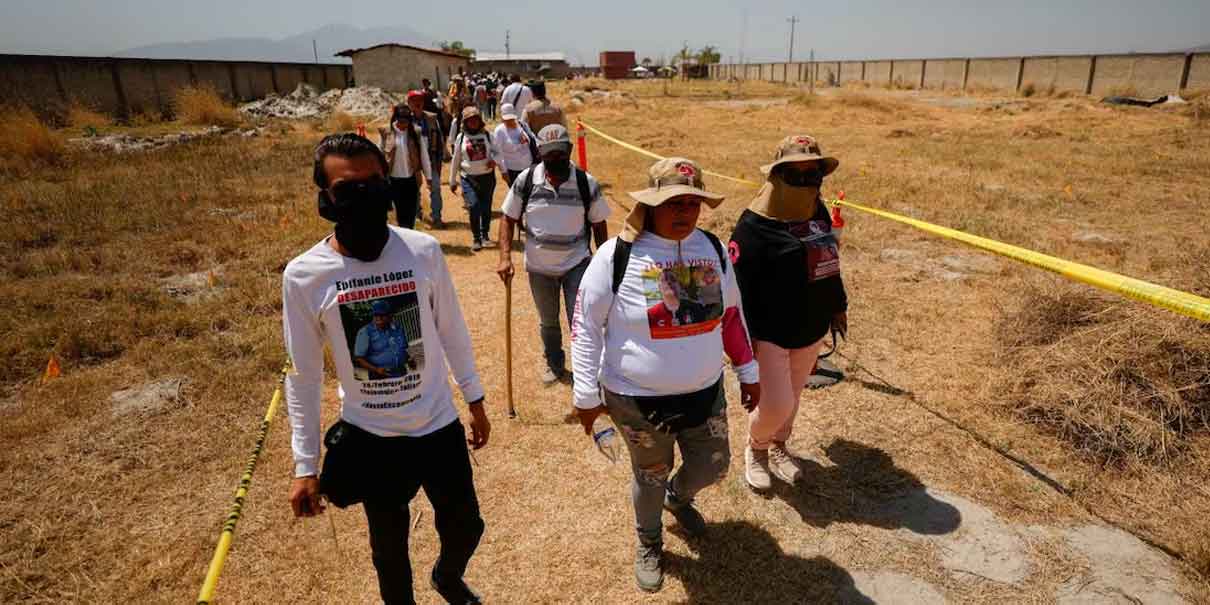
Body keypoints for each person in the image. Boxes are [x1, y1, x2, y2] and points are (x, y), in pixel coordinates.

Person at [283, 133, 490, 605]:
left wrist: (474, 398)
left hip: (437, 426)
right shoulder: (304, 276)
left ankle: (447, 577)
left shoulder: (423, 251)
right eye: (347, 189)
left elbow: (452, 330)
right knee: (389, 551)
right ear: (325, 199)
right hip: (372, 437)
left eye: (374, 183)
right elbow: (304, 376)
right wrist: (305, 465)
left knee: (466, 526)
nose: (364, 196)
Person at [571, 157, 760, 593]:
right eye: (674, 202)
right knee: (651, 473)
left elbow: (732, 315)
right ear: (652, 205)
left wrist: (748, 370)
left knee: (714, 465)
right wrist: (585, 395)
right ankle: (649, 541)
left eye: (692, 203)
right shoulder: (617, 255)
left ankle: (679, 498)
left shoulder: (711, 249)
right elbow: (586, 326)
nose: (685, 212)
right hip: (637, 400)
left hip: (705, 392)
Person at [729, 135, 848, 491]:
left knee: (792, 399)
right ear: (777, 176)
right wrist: (744, 343)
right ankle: (756, 448)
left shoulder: (818, 212)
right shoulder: (752, 226)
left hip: (811, 326)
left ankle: (779, 445)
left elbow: (828, 262)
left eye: (813, 175)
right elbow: (738, 290)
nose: (806, 184)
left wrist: (838, 306)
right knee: (775, 404)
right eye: (796, 176)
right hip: (769, 332)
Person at [498, 124, 609, 391]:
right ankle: (554, 363)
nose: (555, 159)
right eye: (549, 154)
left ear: (569, 150)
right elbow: (508, 218)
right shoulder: (526, 180)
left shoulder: (585, 182)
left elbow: (598, 224)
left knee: (580, 320)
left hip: (577, 265)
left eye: (560, 153)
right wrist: (504, 257)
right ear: (539, 152)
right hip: (539, 267)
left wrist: (605, 263)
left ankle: (587, 369)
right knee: (548, 320)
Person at [449, 106, 501, 251]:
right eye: (469, 120)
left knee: (486, 207)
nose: (473, 122)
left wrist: (495, 161)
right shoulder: (461, 138)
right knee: (473, 206)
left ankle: (485, 236)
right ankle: (476, 238)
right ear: (465, 122)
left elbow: (498, 153)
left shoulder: (488, 135)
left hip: (487, 177)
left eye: (475, 119)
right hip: (468, 178)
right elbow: (456, 159)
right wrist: (452, 180)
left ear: (480, 120)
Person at [378, 104, 432, 229]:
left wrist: (428, 177)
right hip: (393, 180)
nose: (403, 125)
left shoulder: (415, 132)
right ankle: (404, 234)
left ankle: (409, 232)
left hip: (412, 180)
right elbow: (379, 155)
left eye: (406, 122)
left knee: (411, 212)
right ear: (395, 119)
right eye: (401, 121)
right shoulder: (386, 133)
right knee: (401, 213)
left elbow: (424, 156)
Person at [407, 90, 447, 228]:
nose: (417, 103)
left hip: (431, 159)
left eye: (420, 100)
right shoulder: (405, 119)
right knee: (414, 188)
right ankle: (417, 215)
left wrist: (440, 157)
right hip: (412, 161)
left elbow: (439, 139)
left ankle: (437, 217)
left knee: (435, 188)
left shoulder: (431, 118)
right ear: (409, 103)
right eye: (414, 101)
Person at [354, 300, 415, 379]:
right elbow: (359, 358)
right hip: (380, 376)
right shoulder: (365, 332)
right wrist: (376, 369)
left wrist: (409, 359)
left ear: (390, 315)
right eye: (376, 315)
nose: (379, 318)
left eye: (382, 315)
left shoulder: (397, 328)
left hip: (401, 373)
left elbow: (402, 349)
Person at [491, 103, 539, 186]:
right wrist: (504, 171)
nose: (509, 121)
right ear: (502, 118)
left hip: (529, 167)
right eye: (507, 119)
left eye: (511, 118)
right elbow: (497, 153)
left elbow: (534, 139)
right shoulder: (500, 131)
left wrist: (527, 140)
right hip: (513, 171)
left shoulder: (522, 125)